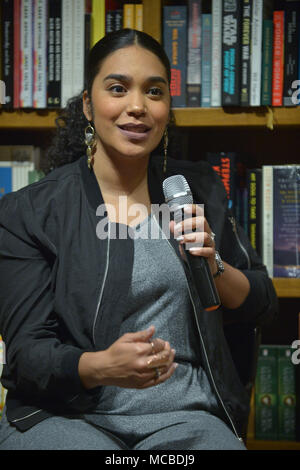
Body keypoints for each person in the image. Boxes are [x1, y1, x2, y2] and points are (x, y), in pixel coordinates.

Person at [0, 29, 278, 450]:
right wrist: (101, 366)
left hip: (186, 416)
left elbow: (262, 301)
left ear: (167, 107)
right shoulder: (33, 211)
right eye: (118, 88)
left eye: (154, 91)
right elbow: (26, 357)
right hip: (68, 415)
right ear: (89, 107)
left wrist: (213, 265)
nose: (137, 107)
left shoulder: (197, 189)